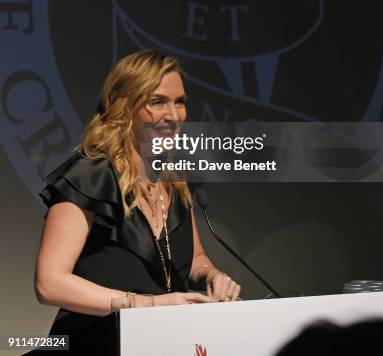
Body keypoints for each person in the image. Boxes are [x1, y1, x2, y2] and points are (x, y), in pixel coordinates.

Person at [31, 50, 240, 354]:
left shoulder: (175, 179)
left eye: (179, 102)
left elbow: (195, 258)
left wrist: (212, 276)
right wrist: (143, 304)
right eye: (157, 102)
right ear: (125, 106)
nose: (173, 115)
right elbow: (49, 284)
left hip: (157, 344)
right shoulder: (90, 176)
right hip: (92, 344)